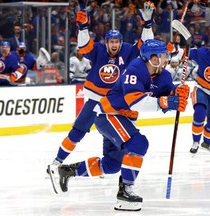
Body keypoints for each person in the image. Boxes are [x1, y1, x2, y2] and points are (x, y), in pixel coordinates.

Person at [48, 39, 189, 211]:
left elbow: (164, 99)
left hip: (123, 120)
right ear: (152, 58)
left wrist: (178, 95)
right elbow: (135, 102)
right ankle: (125, 192)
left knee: (112, 164)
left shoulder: (164, 76)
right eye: (162, 55)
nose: (167, 58)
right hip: (109, 115)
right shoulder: (135, 69)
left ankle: (68, 171)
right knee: (138, 143)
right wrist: (168, 102)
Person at [47, 2, 156, 174]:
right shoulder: (98, 50)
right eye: (111, 42)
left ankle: (102, 166)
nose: (114, 45)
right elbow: (84, 47)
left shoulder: (128, 51)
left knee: (115, 154)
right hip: (96, 100)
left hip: (115, 106)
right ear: (106, 43)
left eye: (117, 42)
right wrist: (82, 28)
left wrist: (148, 25)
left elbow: (147, 46)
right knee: (78, 131)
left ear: (121, 42)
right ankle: (56, 162)